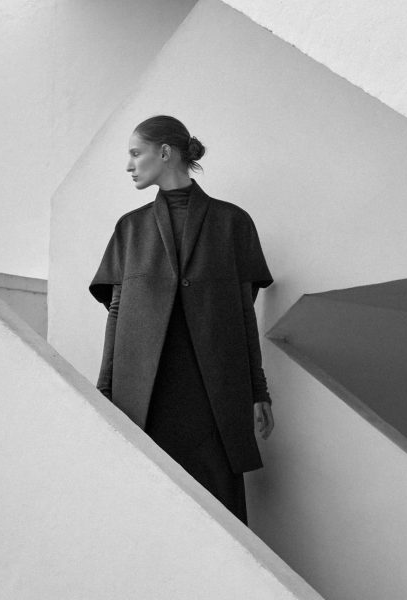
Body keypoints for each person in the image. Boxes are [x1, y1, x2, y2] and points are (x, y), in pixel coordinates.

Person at [89, 115, 274, 524]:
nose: (129, 165)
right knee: (149, 512)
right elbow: (117, 315)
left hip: (216, 397)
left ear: (165, 152)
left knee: (221, 516)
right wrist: (104, 390)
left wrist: (258, 391)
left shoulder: (232, 223)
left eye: (136, 153)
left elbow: (244, 315)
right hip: (145, 398)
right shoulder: (130, 229)